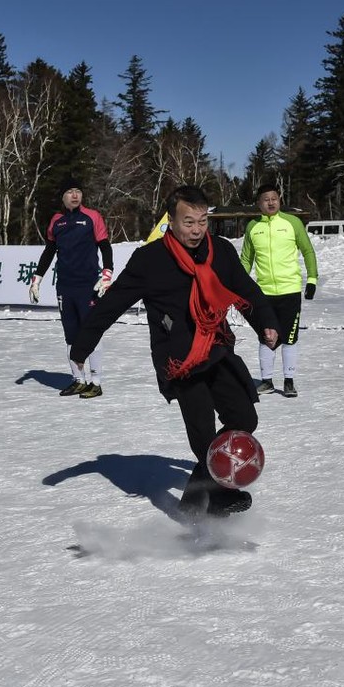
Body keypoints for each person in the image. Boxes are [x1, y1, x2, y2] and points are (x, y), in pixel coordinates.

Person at [70, 185, 280, 520]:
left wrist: (266, 323)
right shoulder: (150, 260)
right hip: (179, 359)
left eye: (202, 221)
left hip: (217, 348)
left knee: (244, 418)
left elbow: (246, 290)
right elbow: (112, 303)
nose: (197, 230)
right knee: (203, 432)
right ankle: (220, 495)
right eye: (188, 223)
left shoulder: (221, 251)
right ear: (171, 220)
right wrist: (82, 345)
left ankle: (191, 503)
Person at [29, 177, 113, 398]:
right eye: (70, 192)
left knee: (91, 333)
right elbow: (49, 252)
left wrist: (107, 273)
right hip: (65, 288)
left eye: (78, 191)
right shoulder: (56, 221)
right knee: (71, 336)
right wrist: (37, 278)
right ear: (62, 196)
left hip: (88, 286)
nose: (75, 195)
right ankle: (78, 380)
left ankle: (95, 382)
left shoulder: (92, 217)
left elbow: (105, 246)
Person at [240, 183, 319, 398]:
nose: (271, 202)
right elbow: (246, 259)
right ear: (259, 203)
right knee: (266, 337)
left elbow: (308, 251)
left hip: (290, 291)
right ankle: (266, 381)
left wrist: (312, 279)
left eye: (274, 198)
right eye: (266, 199)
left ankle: (289, 381)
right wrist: (237, 285)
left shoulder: (292, 222)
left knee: (289, 337)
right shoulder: (252, 227)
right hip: (263, 293)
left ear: (279, 200)